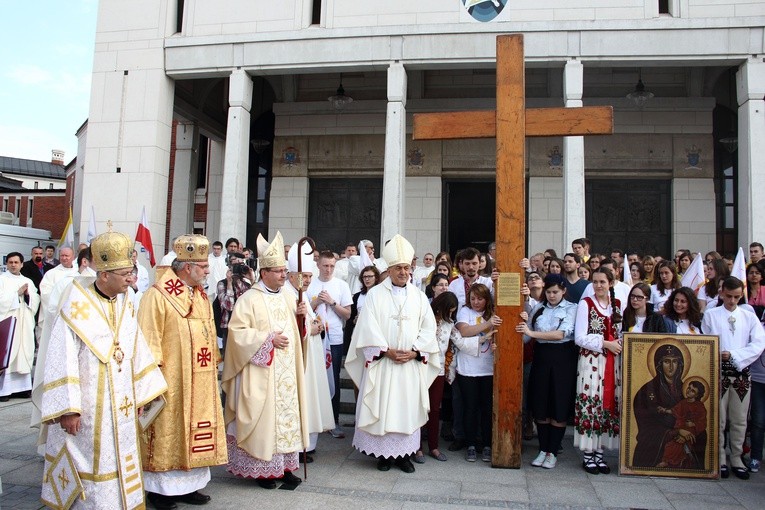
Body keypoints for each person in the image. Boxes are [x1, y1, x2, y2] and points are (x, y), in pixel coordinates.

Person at [39, 231, 167, 509]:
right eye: (124, 274)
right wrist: (68, 408)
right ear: (104, 274)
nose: (131, 279)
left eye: (131, 272)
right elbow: (62, 357)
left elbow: (136, 348)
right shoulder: (75, 304)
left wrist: (141, 394)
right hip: (86, 406)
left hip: (121, 403)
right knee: (88, 459)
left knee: (121, 457)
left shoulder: (125, 303)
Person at [138, 234, 227, 508]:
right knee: (168, 432)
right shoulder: (157, 296)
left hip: (200, 378)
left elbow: (208, 333)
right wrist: (151, 380)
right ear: (186, 267)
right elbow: (146, 338)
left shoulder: (199, 295)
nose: (208, 269)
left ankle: (190, 486)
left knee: (196, 429)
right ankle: (160, 491)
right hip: (171, 379)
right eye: (203, 265)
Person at [346, 234, 440, 473]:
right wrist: (385, 351)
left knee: (406, 410)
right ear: (389, 269)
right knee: (384, 408)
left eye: (406, 267)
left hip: (409, 365)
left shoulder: (419, 297)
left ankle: (405, 455)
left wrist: (415, 351)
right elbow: (367, 327)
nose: (403, 271)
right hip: (384, 363)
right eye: (398, 267)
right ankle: (383, 456)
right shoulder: (376, 294)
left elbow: (429, 328)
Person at [222, 232, 310, 489]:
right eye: (279, 271)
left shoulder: (288, 296)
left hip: (287, 375)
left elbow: (298, 333)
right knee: (264, 421)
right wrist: (267, 340)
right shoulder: (249, 298)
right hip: (261, 373)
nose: (285, 275)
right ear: (264, 272)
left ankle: (284, 467)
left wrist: (302, 320)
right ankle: (263, 469)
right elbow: (237, 335)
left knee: (287, 419)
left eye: (285, 270)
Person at [701, 276, 765, 480]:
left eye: (737, 297)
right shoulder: (711, 315)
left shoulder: (749, 316)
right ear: (722, 293)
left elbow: (758, 343)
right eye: (728, 296)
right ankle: (719, 457)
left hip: (741, 373)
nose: (732, 301)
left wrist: (736, 355)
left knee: (739, 419)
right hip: (718, 372)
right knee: (718, 418)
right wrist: (719, 352)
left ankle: (736, 457)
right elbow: (706, 340)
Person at [516, 274, 577, 469]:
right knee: (541, 404)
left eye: (555, 292)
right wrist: (521, 325)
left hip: (562, 359)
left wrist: (532, 333)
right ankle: (543, 449)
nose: (551, 296)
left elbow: (562, 334)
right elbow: (526, 337)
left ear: (563, 291)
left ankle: (552, 450)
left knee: (558, 405)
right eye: (548, 292)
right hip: (541, 358)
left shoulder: (571, 308)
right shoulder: (538, 308)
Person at [574, 267, 624, 474]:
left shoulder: (617, 305)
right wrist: (605, 343)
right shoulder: (586, 304)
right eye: (595, 282)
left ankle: (600, 453)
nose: (598, 286)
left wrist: (617, 342)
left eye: (602, 282)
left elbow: (620, 332)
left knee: (608, 403)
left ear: (611, 283)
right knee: (592, 402)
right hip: (592, 361)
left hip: (613, 361)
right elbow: (579, 337)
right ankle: (588, 454)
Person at [632, 342, 704, 468]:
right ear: (659, 365)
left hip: (685, 433)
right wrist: (675, 432)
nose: (671, 367)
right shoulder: (647, 390)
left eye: (674, 362)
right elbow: (646, 422)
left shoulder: (685, 389)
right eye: (666, 362)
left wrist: (687, 430)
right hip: (657, 437)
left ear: (680, 365)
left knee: (702, 435)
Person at [306, 250, 352, 439]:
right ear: (318, 265)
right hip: (314, 338)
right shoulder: (310, 284)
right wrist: (316, 302)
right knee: (314, 379)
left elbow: (347, 314)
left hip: (333, 338)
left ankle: (333, 421)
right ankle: (314, 420)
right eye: (325, 265)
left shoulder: (341, 285)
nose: (329, 269)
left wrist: (332, 302)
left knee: (333, 378)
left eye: (332, 265)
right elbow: (304, 309)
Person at [454, 283, 502, 463]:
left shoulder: (493, 312)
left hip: (488, 368)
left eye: (480, 298)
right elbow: (465, 331)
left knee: (487, 408)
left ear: (487, 299)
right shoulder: (465, 311)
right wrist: (489, 324)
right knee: (470, 407)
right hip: (469, 368)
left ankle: (487, 444)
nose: (476, 302)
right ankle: (471, 444)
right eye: (472, 298)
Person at [415, 291, 460, 463]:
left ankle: (433, 446)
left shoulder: (450, 324)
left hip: (439, 370)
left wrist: (483, 337)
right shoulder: (424, 320)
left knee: (434, 408)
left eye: (452, 311)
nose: (449, 314)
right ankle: (417, 447)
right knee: (419, 407)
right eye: (448, 310)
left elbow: (460, 341)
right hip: (421, 367)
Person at [0, 252, 39, 401]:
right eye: (10, 262)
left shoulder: (28, 281)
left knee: (24, 353)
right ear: (7, 264)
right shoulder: (2, 280)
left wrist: (28, 295)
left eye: (16, 262)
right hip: (9, 323)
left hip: (24, 323)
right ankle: (5, 390)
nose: (13, 265)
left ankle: (22, 389)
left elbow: (36, 300)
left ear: (22, 264)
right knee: (8, 354)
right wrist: (16, 294)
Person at [656, 380, 708, 469]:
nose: (689, 391)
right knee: (670, 445)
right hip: (681, 427)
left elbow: (703, 422)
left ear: (697, 395)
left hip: (691, 430)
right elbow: (674, 411)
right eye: (689, 388)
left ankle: (669, 461)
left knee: (678, 444)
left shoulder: (700, 406)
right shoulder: (683, 403)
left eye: (693, 391)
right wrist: (664, 410)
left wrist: (693, 424)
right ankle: (667, 461)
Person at [344, 265, 381, 354]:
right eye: (364, 277)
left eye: (370, 276)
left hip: (376, 335)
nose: (367, 279)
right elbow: (350, 318)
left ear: (376, 278)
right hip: (359, 334)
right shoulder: (357, 296)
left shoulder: (382, 296)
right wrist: (354, 320)